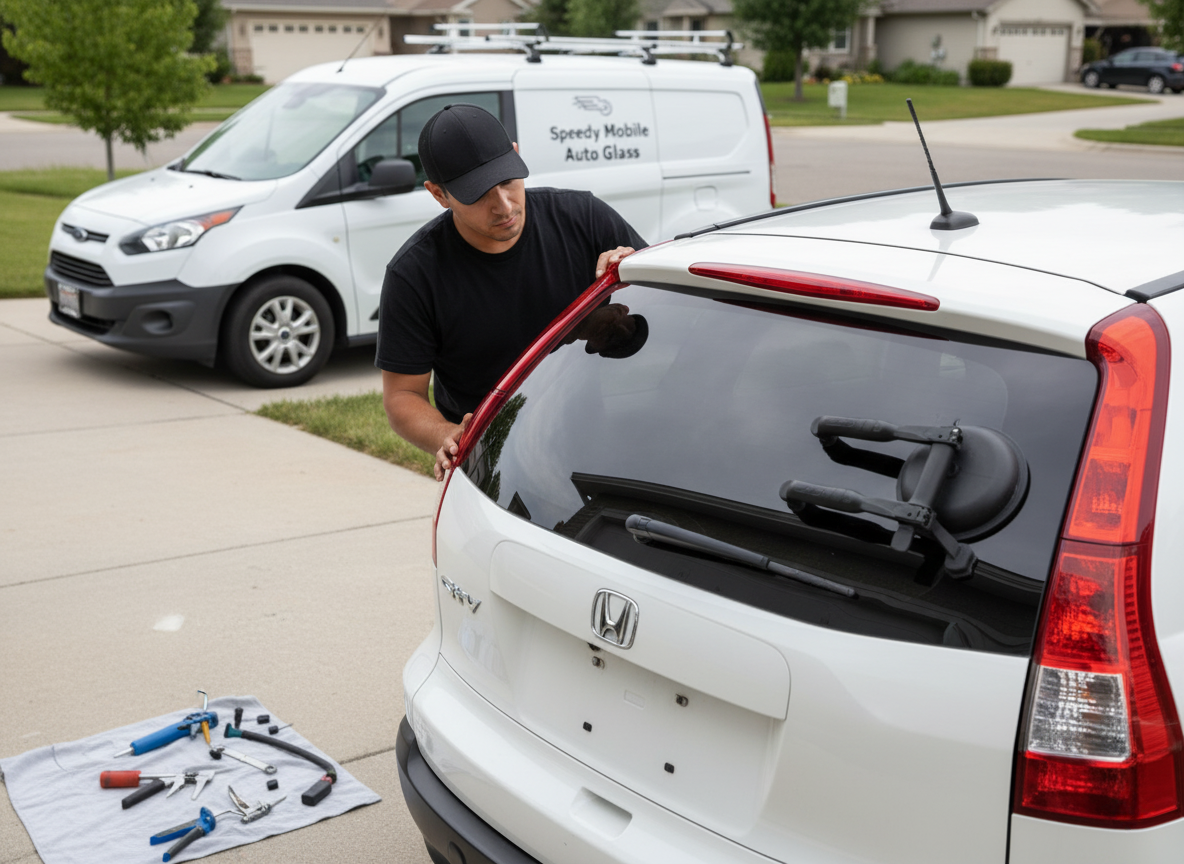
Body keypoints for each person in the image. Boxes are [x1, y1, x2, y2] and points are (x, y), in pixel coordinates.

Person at [376, 103, 647, 480]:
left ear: (516, 156)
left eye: (507, 181)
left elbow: (666, 315)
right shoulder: (414, 274)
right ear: (439, 194)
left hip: (592, 438)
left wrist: (635, 270)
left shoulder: (585, 217)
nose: (503, 206)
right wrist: (448, 434)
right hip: (491, 461)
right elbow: (402, 396)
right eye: (478, 194)